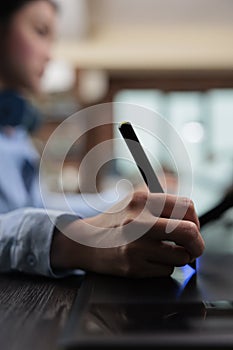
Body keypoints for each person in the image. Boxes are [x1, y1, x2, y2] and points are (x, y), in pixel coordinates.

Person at [0, 0, 204, 278]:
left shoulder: (16, 132)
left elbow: (38, 205)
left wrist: (130, 198)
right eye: (40, 31)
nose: (50, 53)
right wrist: (81, 241)